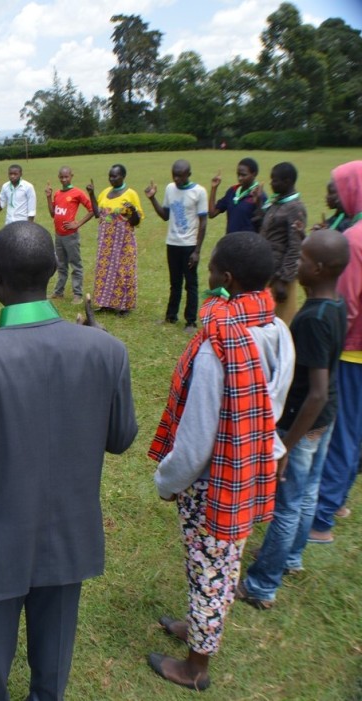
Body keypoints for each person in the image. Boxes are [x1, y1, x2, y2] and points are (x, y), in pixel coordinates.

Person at [0, 221, 137, 701]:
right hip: (70, 534)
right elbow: (120, 438)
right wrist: (106, 357)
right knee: (52, 667)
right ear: (53, 269)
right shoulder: (107, 350)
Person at [147, 231, 293, 692]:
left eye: (210, 267)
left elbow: (195, 441)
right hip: (251, 463)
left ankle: (196, 667)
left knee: (211, 566)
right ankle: (197, 627)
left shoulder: (219, 344)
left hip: (216, 478)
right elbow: (274, 402)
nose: (206, 272)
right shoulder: (276, 328)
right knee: (219, 561)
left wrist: (167, 480)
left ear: (226, 278)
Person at [237, 228, 348, 608]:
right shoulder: (336, 306)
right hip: (326, 416)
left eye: (300, 259)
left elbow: (315, 389)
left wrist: (287, 443)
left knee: (287, 503)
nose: (295, 264)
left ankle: (262, 584)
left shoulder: (312, 320)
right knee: (307, 492)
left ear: (317, 269)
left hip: (304, 419)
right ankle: (292, 557)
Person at [310, 160, 362, 544]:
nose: (330, 194)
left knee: (341, 431)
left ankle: (321, 518)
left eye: (335, 187)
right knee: (354, 430)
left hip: (350, 352)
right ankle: (338, 500)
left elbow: (342, 308)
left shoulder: (355, 241)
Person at [145, 160, 209, 332]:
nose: (176, 178)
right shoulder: (170, 189)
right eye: (174, 175)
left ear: (189, 174)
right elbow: (165, 215)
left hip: (189, 245)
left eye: (180, 175)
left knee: (191, 284)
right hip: (172, 243)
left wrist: (197, 251)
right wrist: (152, 199)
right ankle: (171, 316)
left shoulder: (199, 192)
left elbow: (203, 223)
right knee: (175, 283)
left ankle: (190, 321)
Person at [254, 161, 307, 325]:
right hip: (267, 270)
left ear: (288, 181)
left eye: (275, 180)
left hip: (279, 275)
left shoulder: (294, 208)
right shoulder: (277, 201)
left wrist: (283, 280)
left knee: (280, 323)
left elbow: (295, 246)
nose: (271, 183)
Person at [88, 164, 143, 315]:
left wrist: (132, 211)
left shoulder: (131, 194)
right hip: (106, 241)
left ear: (123, 176)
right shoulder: (105, 192)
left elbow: (136, 221)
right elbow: (97, 214)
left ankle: (124, 306)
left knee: (123, 270)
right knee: (104, 270)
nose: (111, 179)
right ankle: (105, 303)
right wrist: (92, 194)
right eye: (110, 176)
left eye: (115, 176)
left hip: (123, 240)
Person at [45, 166, 97, 305]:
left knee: (76, 265)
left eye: (66, 177)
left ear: (71, 176)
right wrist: (49, 197)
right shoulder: (57, 193)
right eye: (61, 177)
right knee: (61, 264)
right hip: (58, 235)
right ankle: (58, 292)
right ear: (58, 177)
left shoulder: (77, 193)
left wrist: (77, 224)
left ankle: (77, 294)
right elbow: (52, 213)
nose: (64, 179)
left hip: (71, 236)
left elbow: (92, 210)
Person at [208, 157, 266, 234]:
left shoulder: (259, 195)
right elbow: (212, 213)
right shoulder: (232, 191)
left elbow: (264, 224)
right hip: (231, 241)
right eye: (238, 174)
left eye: (243, 175)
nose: (240, 178)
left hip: (249, 243)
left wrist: (258, 202)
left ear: (254, 174)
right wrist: (214, 188)